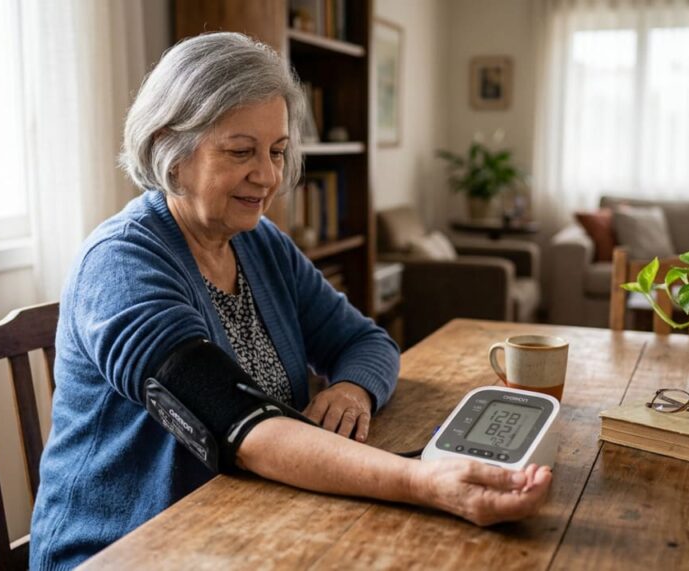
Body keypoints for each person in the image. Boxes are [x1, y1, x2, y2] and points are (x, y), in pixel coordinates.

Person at [30, 32, 552, 570]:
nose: (269, 175)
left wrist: (352, 389)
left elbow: (364, 340)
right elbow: (236, 424)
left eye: (277, 151)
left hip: (247, 521)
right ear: (170, 148)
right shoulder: (122, 265)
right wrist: (426, 481)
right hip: (123, 548)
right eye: (241, 152)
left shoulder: (259, 243)